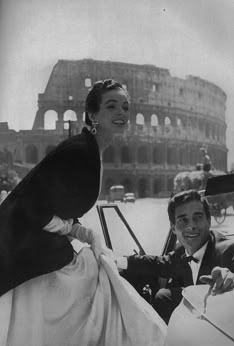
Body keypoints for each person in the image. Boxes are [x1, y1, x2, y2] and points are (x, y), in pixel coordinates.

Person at [0, 79, 167, 345]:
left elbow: (59, 205)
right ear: (92, 114)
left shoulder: (89, 150)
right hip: (20, 251)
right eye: (112, 106)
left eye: (125, 107)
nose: (121, 113)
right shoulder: (79, 151)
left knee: (101, 276)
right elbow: (31, 205)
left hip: (36, 246)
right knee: (100, 284)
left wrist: (83, 232)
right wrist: (76, 231)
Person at [117, 189, 234, 324]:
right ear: (173, 228)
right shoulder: (181, 250)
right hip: (194, 320)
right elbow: (160, 263)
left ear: (209, 221)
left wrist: (231, 277)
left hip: (222, 326)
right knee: (163, 297)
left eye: (198, 217)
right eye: (183, 220)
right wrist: (118, 261)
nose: (191, 225)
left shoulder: (228, 250)